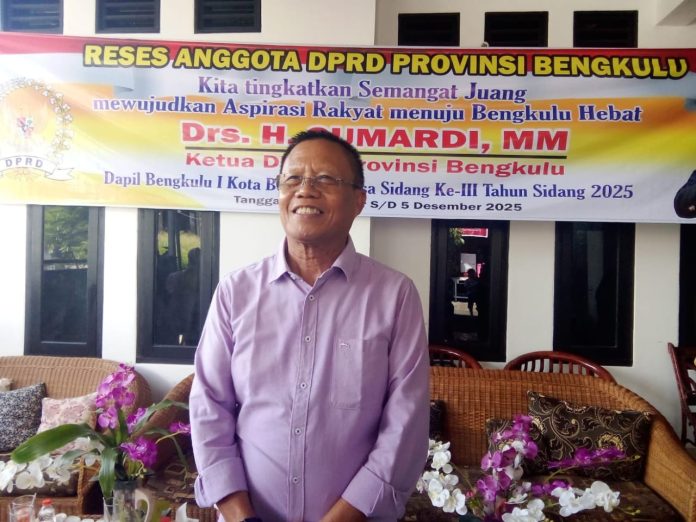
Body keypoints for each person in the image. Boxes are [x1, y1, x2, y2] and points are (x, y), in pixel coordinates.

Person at [189, 129, 430, 522]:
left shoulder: (394, 295)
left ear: (358, 201)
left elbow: (406, 424)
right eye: (293, 179)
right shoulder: (236, 291)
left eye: (325, 179)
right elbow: (209, 405)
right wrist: (240, 515)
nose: (305, 190)